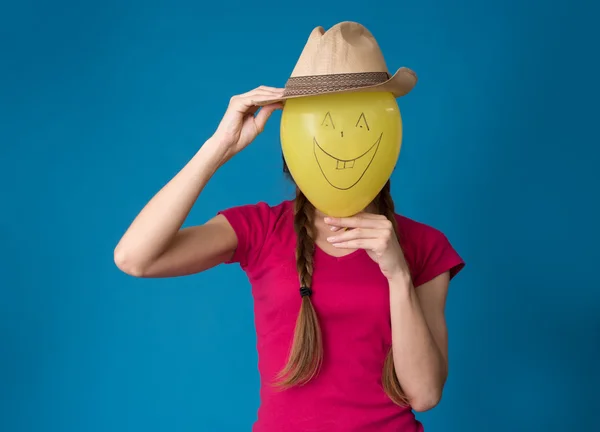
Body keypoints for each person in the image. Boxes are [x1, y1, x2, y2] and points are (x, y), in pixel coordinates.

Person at [115, 22, 465, 432]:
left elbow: (424, 394)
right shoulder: (260, 228)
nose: (343, 141)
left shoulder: (424, 245)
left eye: (361, 120)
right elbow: (134, 258)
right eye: (326, 121)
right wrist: (218, 147)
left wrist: (397, 273)